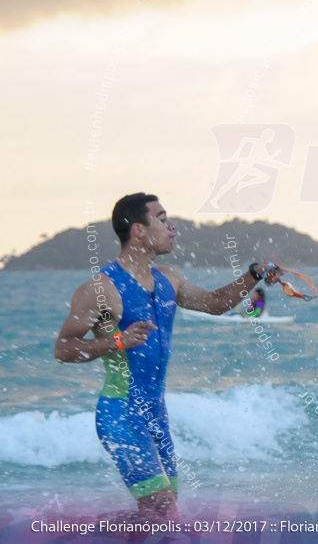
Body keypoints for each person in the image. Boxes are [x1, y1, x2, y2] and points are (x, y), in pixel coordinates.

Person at [54, 193, 282, 521]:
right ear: (139, 231)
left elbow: (215, 304)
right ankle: (78, 532)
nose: (172, 225)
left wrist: (255, 273)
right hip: (121, 413)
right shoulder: (101, 289)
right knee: (162, 512)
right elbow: (63, 348)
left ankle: (87, 530)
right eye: (161, 218)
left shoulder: (168, 279)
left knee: (162, 517)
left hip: (156, 415)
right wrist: (115, 342)